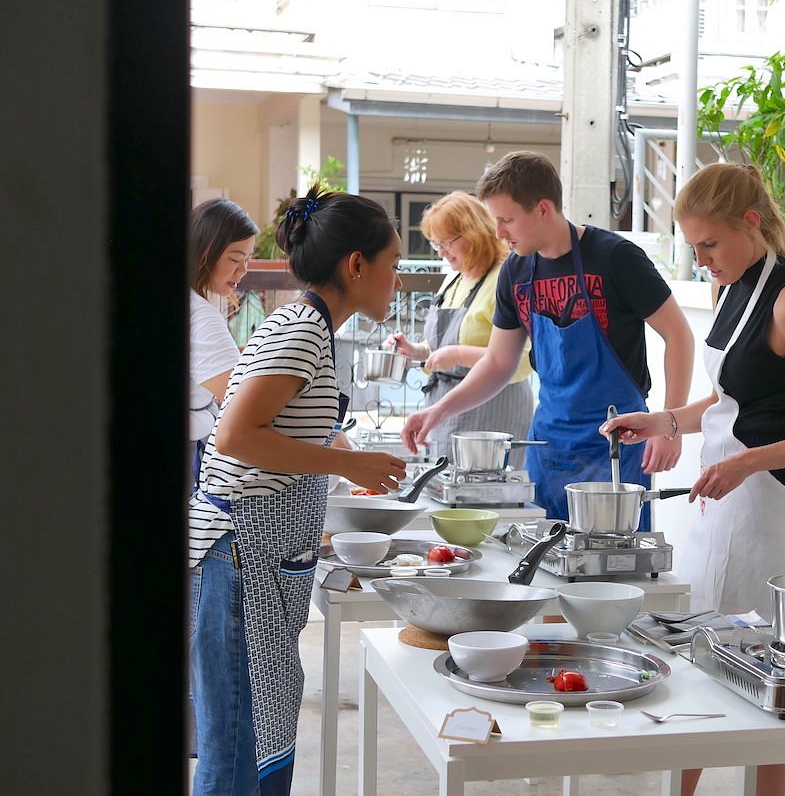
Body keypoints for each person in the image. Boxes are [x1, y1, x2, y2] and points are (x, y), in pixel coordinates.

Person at [601, 163, 785, 796]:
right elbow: (726, 405)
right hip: (720, 498)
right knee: (699, 656)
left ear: (751, 222)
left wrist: (749, 461)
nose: (701, 259)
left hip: (772, 502)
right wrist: (663, 419)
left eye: (709, 244)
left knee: (771, 666)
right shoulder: (733, 289)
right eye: (693, 247)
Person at [188, 189, 408, 796]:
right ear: (356, 265)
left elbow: (273, 434)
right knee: (234, 751)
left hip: (261, 559)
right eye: (392, 264)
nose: (397, 279)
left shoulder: (311, 328)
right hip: (239, 558)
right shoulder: (301, 330)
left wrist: (338, 461)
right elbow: (234, 436)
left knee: (254, 737)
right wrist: (347, 460)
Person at [402, 150, 695, 524]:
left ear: (543, 209)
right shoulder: (516, 272)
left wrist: (670, 425)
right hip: (549, 445)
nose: (498, 232)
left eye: (507, 220)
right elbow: (498, 362)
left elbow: (679, 335)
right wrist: (438, 410)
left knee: (611, 568)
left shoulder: (615, 258)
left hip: (618, 445)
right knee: (545, 562)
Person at [387, 191, 534, 465]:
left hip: (494, 412)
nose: (441, 251)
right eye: (435, 244)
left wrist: (457, 355)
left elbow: (525, 360)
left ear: (474, 234)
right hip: (447, 408)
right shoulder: (454, 279)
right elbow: (444, 345)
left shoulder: (504, 278)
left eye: (447, 243)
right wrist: (417, 351)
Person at [188, 198, 256, 449]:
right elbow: (244, 403)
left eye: (248, 259)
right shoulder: (200, 316)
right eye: (235, 259)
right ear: (205, 252)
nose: (243, 270)